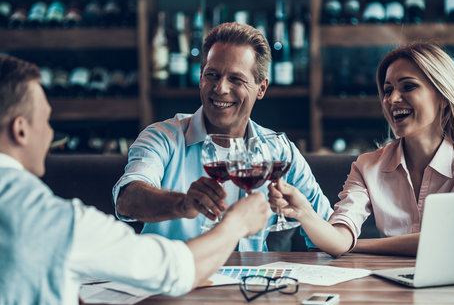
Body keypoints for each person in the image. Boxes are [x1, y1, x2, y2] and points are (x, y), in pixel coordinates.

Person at [0, 53, 270, 305]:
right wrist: (237, 224)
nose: (50, 135)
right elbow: (179, 270)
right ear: (20, 130)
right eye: (46, 121)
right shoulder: (62, 224)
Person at [113, 22, 332, 251]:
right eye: (212, 75)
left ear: (261, 88)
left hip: (251, 283)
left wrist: (304, 215)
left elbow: (329, 229)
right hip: (177, 280)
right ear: (200, 78)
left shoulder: (280, 150)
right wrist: (182, 204)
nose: (220, 88)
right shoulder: (162, 137)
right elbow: (128, 199)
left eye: (236, 79)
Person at [269, 42, 454, 257]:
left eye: (408, 86)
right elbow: (339, 239)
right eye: (387, 90)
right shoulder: (368, 166)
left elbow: (452, 240)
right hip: (389, 286)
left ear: (443, 96)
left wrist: (356, 246)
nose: (392, 99)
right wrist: (303, 212)